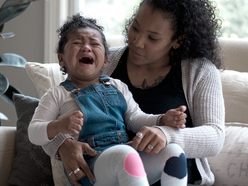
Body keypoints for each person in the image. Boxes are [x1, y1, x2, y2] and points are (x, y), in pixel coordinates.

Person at [38, 0, 225, 185]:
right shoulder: (104, 62)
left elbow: (215, 137)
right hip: (109, 174)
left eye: (152, 38)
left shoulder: (199, 71)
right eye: (135, 27)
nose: (137, 42)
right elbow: (48, 119)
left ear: (178, 40)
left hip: (180, 179)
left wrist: (166, 134)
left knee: (172, 152)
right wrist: (62, 145)